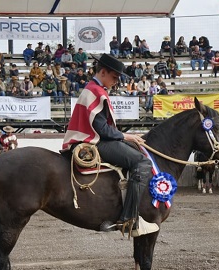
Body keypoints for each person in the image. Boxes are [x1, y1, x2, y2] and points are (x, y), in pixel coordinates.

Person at [62, 53, 159, 237]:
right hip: (93, 142)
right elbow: (103, 130)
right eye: (114, 77)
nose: (116, 82)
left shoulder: (93, 89)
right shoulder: (96, 92)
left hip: (89, 139)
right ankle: (130, 218)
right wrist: (127, 136)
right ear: (103, 72)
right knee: (142, 162)